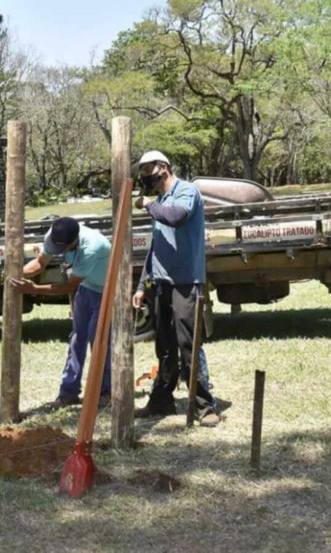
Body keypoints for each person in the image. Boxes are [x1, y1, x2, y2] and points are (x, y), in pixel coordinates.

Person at [131, 150, 220, 425]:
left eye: (148, 170)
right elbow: (155, 249)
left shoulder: (186, 192)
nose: (146, 176)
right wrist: (141, 287)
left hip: (186, 283)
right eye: (143, 172)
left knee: (187, 344)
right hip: (162, 284)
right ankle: (162, 401)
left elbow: (177, 217)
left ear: (164, 168)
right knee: (165, 345)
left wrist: (147, 204)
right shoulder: (160, 201)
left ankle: (205, 407)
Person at [10, 217, 113, 409]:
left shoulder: (92, 246)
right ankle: (68, 392)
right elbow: (40, 263)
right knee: (77, 339)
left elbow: (68, 286)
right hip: (86, 288)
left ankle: (106, 391)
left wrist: (34, 288)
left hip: (105, 291)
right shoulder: (55, 234)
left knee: (98, 340)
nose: (61, 252)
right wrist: (16, 275)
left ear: (74, 241)